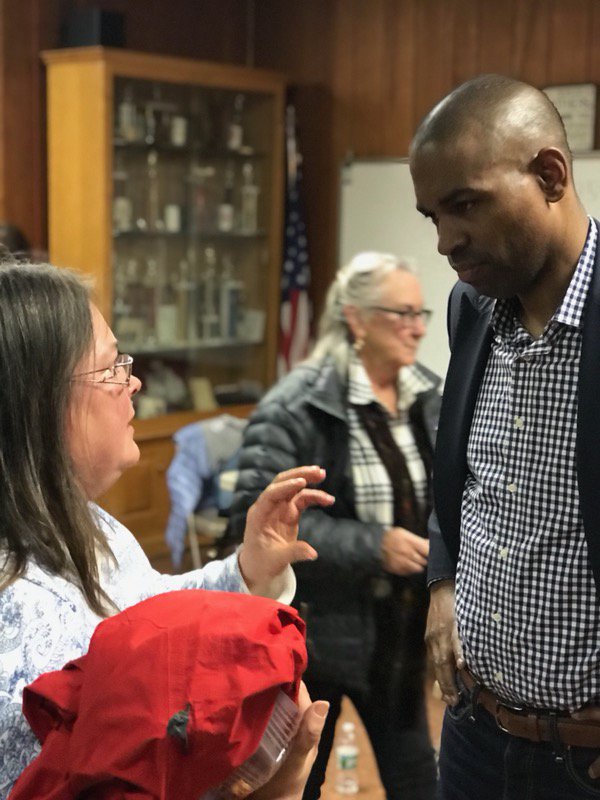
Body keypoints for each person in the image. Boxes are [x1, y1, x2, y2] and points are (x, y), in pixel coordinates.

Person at [0, 261, 334, 800]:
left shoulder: (87, 522)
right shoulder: (13, 610)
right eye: (111, 368)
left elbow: (151, 612)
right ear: (40, 402)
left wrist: (247, 567)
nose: (133, 382)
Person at [409, 73, 600, 799]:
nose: (445, 241)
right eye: (432, 215)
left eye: (465, 205)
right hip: (474, 734)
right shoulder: (471, 307)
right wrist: (443, 578)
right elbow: (460, 473)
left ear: (550, 175)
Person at [225, 252, 441, 800]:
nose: (418, 328)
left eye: (421, 314)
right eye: (402, 314)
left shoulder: (427, 397)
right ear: (355, 318)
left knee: (418, 778)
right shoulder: (296, 406)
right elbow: (254, 526)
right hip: (318, 638)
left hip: (399, 637)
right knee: (300, 779)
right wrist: (374, 546)